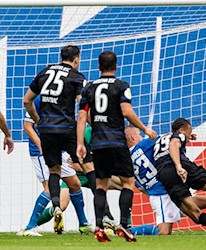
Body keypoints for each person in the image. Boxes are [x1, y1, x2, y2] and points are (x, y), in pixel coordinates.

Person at [76, 50, 156, 242]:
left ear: (98, 67)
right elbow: (126, 112)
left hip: (98, 143)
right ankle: (124, 225)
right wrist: (145, 128)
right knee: (128, 183)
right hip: (117, 142)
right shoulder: (121, 86)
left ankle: (98, 226)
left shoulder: (89, 87)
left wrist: (80, 143)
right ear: (116, 66)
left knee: (101, 185)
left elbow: (81, 117)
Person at [23, 45, 94, 234]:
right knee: (85, 169)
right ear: (76, 59)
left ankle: (83, 223)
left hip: (50, 135)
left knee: (73, 184)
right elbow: (27, 125)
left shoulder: (45, 79)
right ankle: (30, 226)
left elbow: (26, 101)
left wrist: (40, 124)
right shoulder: (72, 80)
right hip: (52, 139)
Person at [125, 126, 206, 235]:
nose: (142, 136)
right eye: (139, 134)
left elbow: (138, 186)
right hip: (163, 194)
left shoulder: (127, 161)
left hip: (167, 192)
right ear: (132, 137)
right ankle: (128, 231)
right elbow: (168, 139)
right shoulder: (146, 144)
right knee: (164, 233)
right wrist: (185, 135)